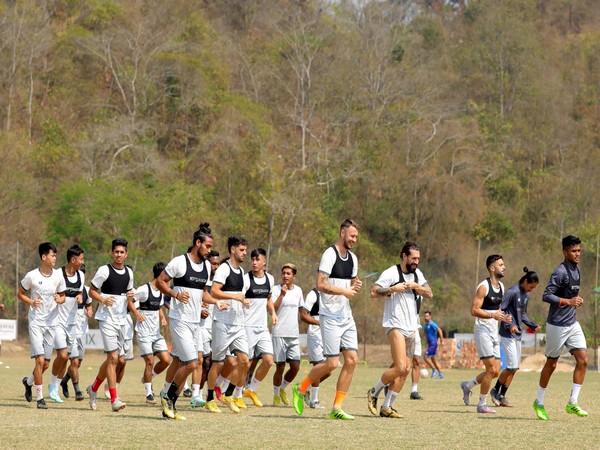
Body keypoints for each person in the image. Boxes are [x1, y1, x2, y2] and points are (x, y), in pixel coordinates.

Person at [292, 219, 362, 420]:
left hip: (346, 316)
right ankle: (301, 387)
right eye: (352, 236)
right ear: (342, 233)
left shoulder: (353, 259)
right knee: (332, 364)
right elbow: (320, 284)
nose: (354, 240)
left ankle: (337, 408)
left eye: (356, 237)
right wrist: (345, 291)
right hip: (329, 317)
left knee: (352, 360)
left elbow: (351, 282)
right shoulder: (329, 254)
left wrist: (355, 286)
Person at [156, 223, 226, 420]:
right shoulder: (179, 262)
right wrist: (174, 295)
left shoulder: (205, 266)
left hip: (195, 323)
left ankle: (170, 406)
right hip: (179, 320)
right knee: (192, 363)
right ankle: (167, 398)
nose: (210, 251)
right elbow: (160, 281)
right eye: (208, 246)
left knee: (182, 362)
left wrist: (216, 302)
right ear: (198, 243)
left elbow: (203, 294)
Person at [367, 242, 433, 419]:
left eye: (418, 258)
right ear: (404, 256)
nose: (416, 262)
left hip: (412, 327)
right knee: (400, 366)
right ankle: (373, 392)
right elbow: (373, 292)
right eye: (413, 258)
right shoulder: (391, 273)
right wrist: (391, 289)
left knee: (405, 371)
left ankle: (387, 406)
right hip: (394, 325)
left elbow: (429, 293)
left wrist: (416, 287)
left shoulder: (417, 274)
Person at [533, 235, 588, 420]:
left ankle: (572, 402)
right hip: (557, 325)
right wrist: (568, 301)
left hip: (572, 323)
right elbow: (546, 295)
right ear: (565, 252)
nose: (577, 254)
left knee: (583, 360)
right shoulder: (560, 272)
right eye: (574, 251)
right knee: (552, 364)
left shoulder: (577, 270)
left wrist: (575, 301)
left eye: (579, 250)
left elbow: (572, 296)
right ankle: (539, 402)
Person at [86, 238, 134, 412]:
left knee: (119, 360)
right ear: (111, 253)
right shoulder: (104, 270)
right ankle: (114, 399)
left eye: (122, 252)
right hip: (106, 319)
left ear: (126, 254)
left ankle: (93, 387)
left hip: (122, 320)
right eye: (116, 252)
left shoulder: (129, 272)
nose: (119, 255)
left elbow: (129, 294)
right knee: (113, 358)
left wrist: (132, 298)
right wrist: (103, 299)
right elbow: (92, 291)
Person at [460, 254, 511, 414]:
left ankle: (467, 385)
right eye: (501, 264)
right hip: (482, 331)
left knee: (496, 371)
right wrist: (492, 315)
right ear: (492, 268)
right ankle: (482, 404)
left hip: (493, 331)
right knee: (490, 369)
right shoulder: (484, 287)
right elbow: (474, 310)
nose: (504, 267)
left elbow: (497, 310)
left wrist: (504, 316)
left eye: (503, 264)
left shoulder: (501, 287)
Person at [206, 236, 251, 414]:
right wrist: (234, 297)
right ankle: (209, 398)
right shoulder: (224, 269)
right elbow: (214, 291)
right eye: (241, 250)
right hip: (222, 323)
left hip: (238, 324)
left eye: (245, 250)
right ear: (232, 250)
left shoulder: (241, 272)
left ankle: (228, 394)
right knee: (217, 363)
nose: (244, 253)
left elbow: (238, 295)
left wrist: (244, 301)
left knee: (245, 362)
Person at [18, 242, 66, 409]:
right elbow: (20, 293)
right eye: (52, 255)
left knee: (45, 363)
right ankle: (40, 398)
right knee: (39, 360)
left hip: (52, 323)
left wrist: (60, 299)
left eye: (55, 256)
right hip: (36, 322)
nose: (55, 258)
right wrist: (31, 302)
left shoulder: (58, 276)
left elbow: (63, 295)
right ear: (44, 257)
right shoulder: (31, 276)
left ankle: (28, 381)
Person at [490, 267, 540, 408]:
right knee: (511, 366)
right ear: (525, 281)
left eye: (534, 288)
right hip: (507, 333)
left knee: (515, 368)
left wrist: (532, 325)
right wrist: (510, 324)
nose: (531, 289)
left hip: (517, 334)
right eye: (530, 286)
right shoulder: (512, 292)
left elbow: (522, 314)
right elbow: (502, 310)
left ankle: (502, 395)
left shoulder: (526, 295)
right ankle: (495, 390)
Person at [239, 248, 278, 407]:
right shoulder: (246, 279)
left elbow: (268, 298)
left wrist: (273, 313)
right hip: (247, 326)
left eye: (257, 260)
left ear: (264, 262)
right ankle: (237, 393)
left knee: (269, 361)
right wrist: (243, 301)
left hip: (262, 328)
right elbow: (239, 296)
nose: (254, 263)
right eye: (252, 259)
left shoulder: (270, 279)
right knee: (245, 363)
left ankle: (251, 389)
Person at [129, 262, 171, 404]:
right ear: (161, 276)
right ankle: (149, 393)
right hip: (143, 333)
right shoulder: (144, 289)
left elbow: (158, 306)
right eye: (167, 277)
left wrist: (163, 317)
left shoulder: (160, 291)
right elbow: (130, 300)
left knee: (166, 360)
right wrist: (136, 313)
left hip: (155, 333)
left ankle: (148, 377)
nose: (168, 280)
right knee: (150, 361)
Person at [50, 245, 86, 403]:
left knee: (66, 359)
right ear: (73, 260)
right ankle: (52, 385)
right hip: (57, 321)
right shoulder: (57, 274)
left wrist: (80, 297)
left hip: (73, 323)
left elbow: (79, 293)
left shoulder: (81, 276)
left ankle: (55, 387)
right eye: (81, 259)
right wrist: (56, 298)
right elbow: (52, 293)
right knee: (63, 355)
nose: (82, 261)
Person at [272, 263, 303, 406]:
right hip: (279, 333)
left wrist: (316, 322)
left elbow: (301, 312)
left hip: (293, 334)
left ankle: (283, 388)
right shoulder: (276, 290)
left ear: (293, 277)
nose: (285, 276)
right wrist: (282, 295)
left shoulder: (298, 291)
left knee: (295, 366)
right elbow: (272, 309)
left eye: (288, 273)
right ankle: (276, 395)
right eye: (283, 273)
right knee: (280, 367)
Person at [60, 266, 93, 401]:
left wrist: (90, 311)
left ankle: (64, 381)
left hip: (82, 332)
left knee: (78, 363)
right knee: (73, 361)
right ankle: (78, 391)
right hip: (70, 330)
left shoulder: (86, 291)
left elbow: (89, 306)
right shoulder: (65, 289)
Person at [299, 287, 330, 409]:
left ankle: (304, 388)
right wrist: (318, 323)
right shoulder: (313, 294)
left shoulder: (332, 293)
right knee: (318, 366)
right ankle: (314, 401)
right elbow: (303, 315)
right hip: (315, 333)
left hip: (328, 332)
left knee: (328, 371)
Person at [423, 310, 444, 379]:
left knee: (425, 357)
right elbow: (425, 333)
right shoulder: (426, 325)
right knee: (434, 359)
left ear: (430, 317)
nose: (425, 317)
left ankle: (434, 369)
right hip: (430, 344)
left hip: (433, 343)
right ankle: (441, 374)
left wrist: (441, 340)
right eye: (425, 316)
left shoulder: (432, 324)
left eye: (427, 316)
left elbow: (439, 330)